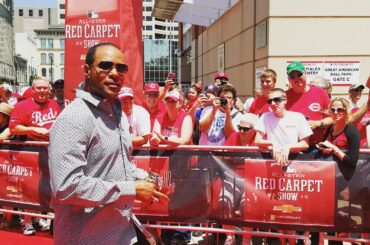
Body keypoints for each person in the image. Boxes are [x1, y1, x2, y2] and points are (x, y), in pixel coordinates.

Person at [49, 43, 168, 244]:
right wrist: (132, 189)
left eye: (121, 68)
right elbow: (66, 187)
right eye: (105, 66)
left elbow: (120, 164)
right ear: (87, 70)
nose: (115, 73)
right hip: (86, 238)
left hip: (122, 231)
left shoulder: (117, 114)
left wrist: (145, 177)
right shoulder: (73, 118)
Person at [316, 98, 360, 245]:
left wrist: (335, 150)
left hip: (345, 181)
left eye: (340, 109)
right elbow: (323, 146)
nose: (336, 113)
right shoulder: (329, 129)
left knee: (343, 221)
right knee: (329, 218)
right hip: (329, 180)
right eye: (333, 110)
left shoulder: (352, 131)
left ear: (346, 111)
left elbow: (353, 161)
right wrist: (324, 149)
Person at [254, 88, 312, 165]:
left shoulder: (298, 117)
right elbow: (257, 141)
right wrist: (273, 143)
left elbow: (305, 144)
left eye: (276, 100)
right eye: (270, 101)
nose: (273, 103)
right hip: (272, 159)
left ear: (285, 100)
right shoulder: (265, 116)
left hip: (293, 160)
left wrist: (288, 147)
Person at [285, 61, 332, 148]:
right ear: (289, 79)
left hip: (316, 149)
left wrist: (317, 123)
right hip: (291, 148)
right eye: (292, 76)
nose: (296, 78)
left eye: (299, 74)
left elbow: (332, 118)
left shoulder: (320, 92)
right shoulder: (284, 97)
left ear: (305, 74)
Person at [9, 76, 61, 141]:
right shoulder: (22, 106)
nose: (42, 91)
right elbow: (13, 128)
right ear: (33, 89)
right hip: (35, 147)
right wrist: (34, 129)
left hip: (55, 144)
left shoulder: (54, 104)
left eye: (45, 88)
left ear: (49, 89)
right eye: (39, 88)